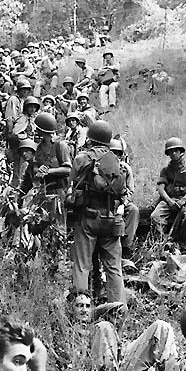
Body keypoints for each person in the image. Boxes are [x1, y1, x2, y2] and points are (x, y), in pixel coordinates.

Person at [68, 120, 126, 304]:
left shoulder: (81, 159)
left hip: (88, 217)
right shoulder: (116, 160)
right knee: (114, 268)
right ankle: (118, 309)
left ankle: (81, 307)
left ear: (90, 138)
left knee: (82, 265)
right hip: (112, 219)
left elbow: (71, 187)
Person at [150, 137, 186, 248]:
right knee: (155, 216)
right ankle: (161, 243)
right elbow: (161, 188)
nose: (173, 154)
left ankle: (183, 244)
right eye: (170, 152)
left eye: (176, 151)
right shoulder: (166, 170)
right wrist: (169, 201)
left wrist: (184, 199)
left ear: (181, 152)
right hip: (171, 199)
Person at [109, 139, 139, 259]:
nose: (115, 156)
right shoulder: (102, 168)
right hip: (106, 202)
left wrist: (123, 203)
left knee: (133, 210)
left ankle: (127, 246)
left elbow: (130, 190)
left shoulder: (125, 169)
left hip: (121, 201)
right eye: (112, 153)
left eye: (117, 153)